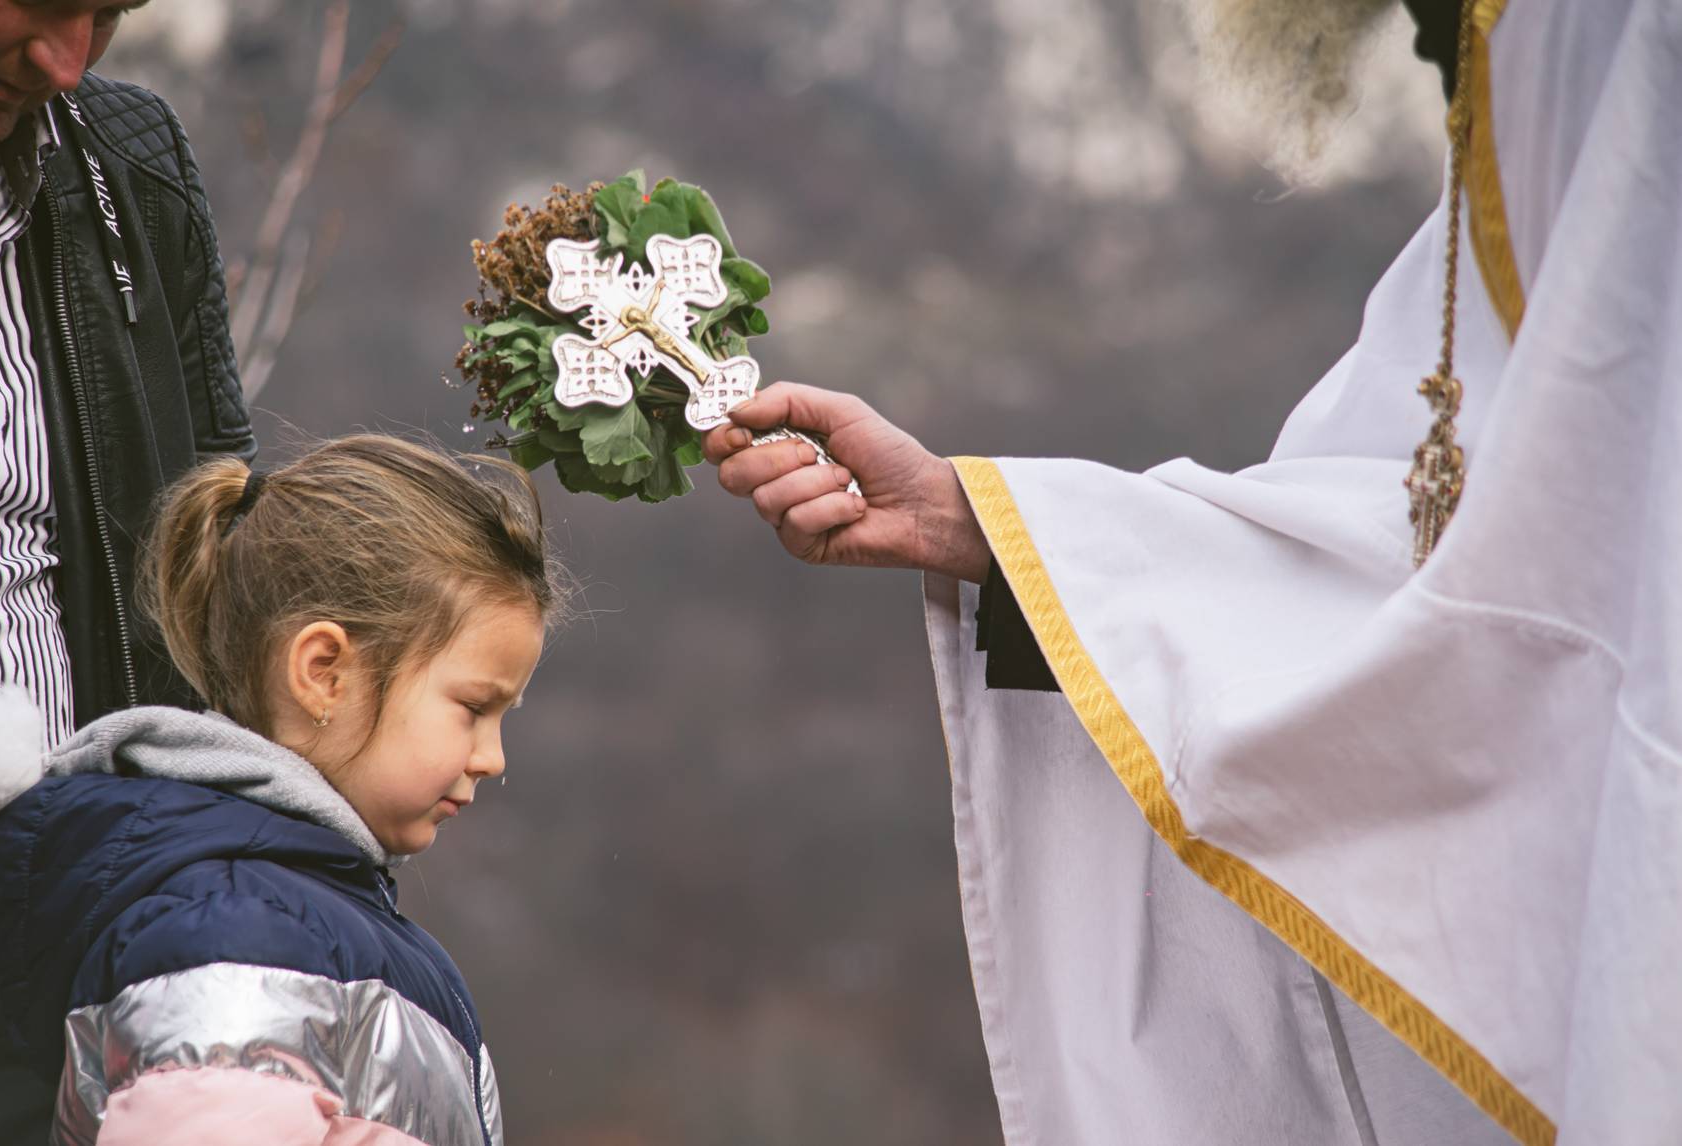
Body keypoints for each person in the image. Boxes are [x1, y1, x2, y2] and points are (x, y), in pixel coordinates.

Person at [707, 0, 1678, 1142]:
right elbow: (1402, 577)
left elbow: (1544, 619)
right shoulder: (1501, 205)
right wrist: (980, 524)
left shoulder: (1609, 84)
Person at [0, 434, 557, 1145]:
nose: (491, 758)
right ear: (323, 672)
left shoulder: (289, 919)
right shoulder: (236, 933)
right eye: (472, 708)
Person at [0, 4, 255, 1139]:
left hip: (54, 962)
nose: (66, 57)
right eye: (35, 1)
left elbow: (226, 552)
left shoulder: (124, 167)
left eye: (104, 8)